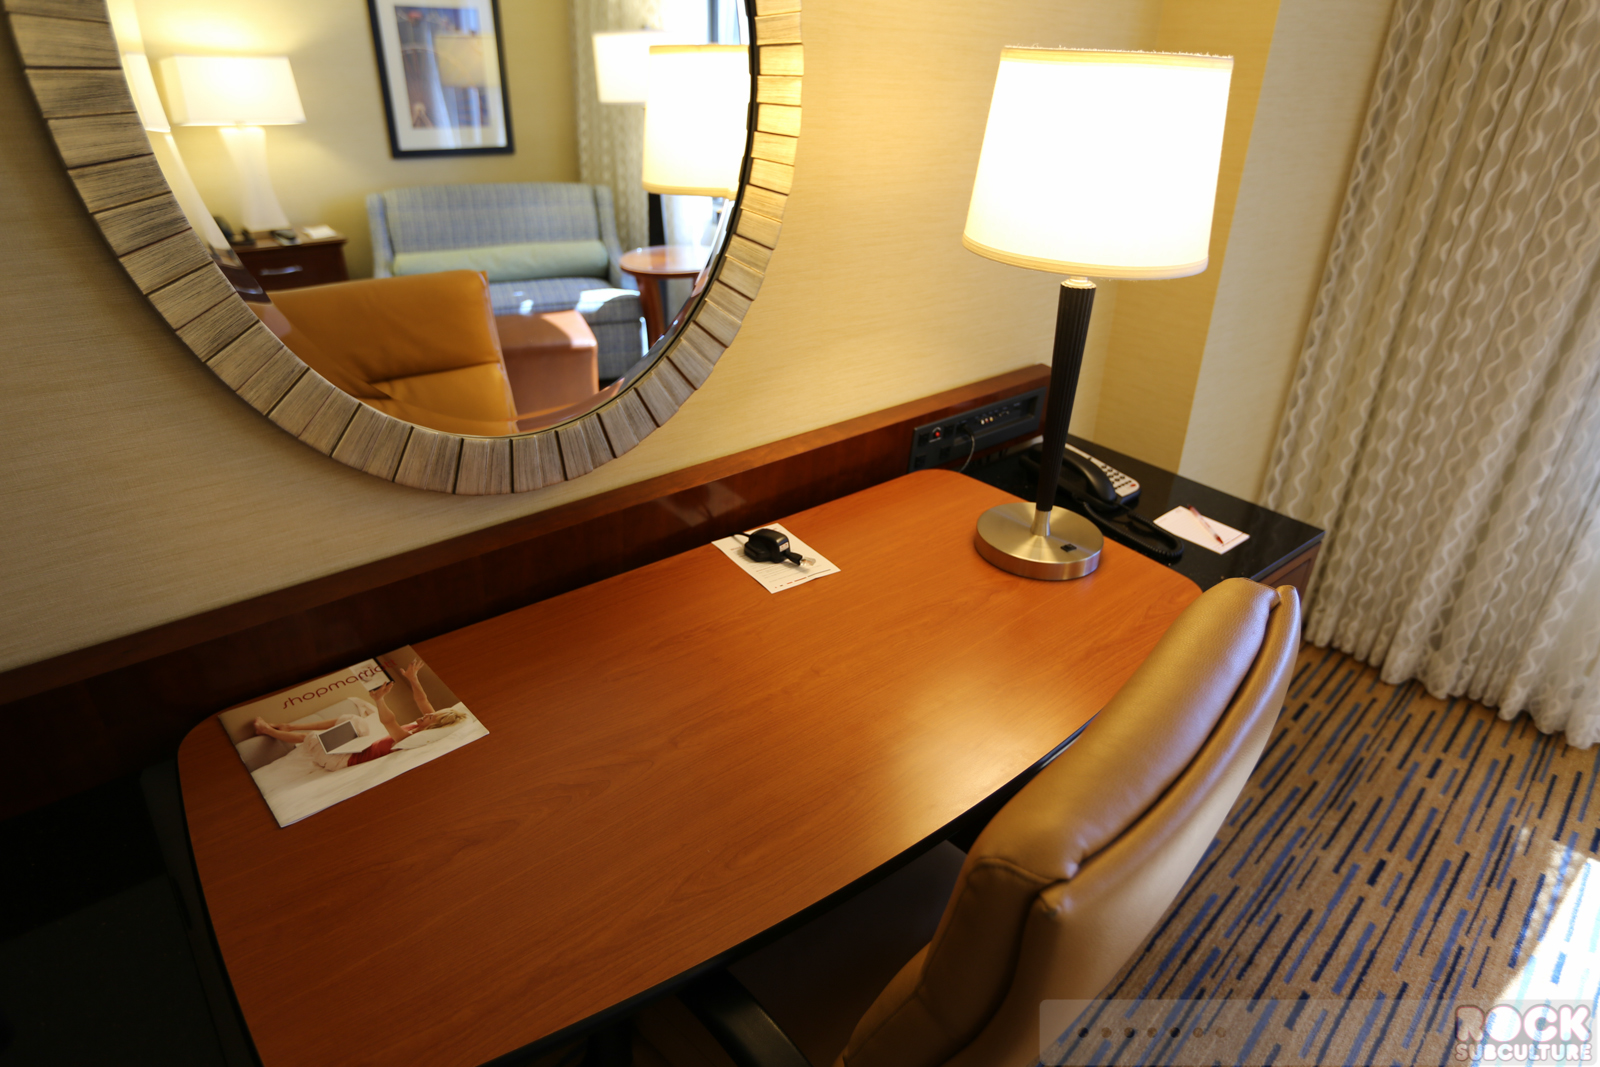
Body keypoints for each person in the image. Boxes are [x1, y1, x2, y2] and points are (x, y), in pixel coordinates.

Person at [253, 659, 466, 770]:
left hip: (341, 761)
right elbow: (422, 700)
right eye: (429, 715)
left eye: (429, 718)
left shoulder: (409, 738)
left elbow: (389, 721)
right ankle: (289, 726)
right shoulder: (426, 724)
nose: (426, 715)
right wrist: (413, 678)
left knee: (312, 738)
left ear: (432, 727)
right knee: (353, 719)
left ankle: (267, 730)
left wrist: (379, 700)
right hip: (360, 747)